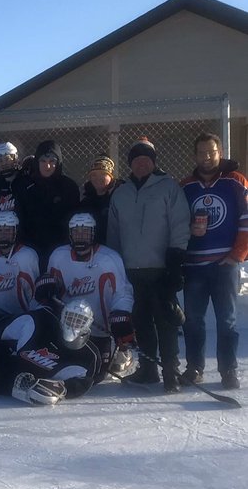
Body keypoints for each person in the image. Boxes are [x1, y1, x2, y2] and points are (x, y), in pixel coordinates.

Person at [106, 139, 191, 391]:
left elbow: (179, 226)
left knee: (165, 320)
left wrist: (174, 264)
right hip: (131, 269)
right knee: (140, 321)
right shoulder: (120, 193)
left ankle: (171, 372)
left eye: (146, 159)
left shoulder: (169, 188)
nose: (141, 164)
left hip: (160, 268)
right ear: (130, 164)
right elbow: (113, 232)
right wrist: (115, 265)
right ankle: (148, 369)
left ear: (154, 162)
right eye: (136, 160)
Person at [179, 132, 248, 389]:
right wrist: (188, 231)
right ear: (194, 155)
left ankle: (228, 370)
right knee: (193, 320)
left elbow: (246, 221)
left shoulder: (236, 182)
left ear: (220, 152)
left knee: (227, 320)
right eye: (201, 152)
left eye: (211, 152)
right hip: (194, 266)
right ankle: (194, 367)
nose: (206, 157)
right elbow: (175, 224)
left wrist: (237, 255)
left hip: (225, 264)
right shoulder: (185, 186)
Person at [44, 212, 135, 381]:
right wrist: (45, 291)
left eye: (85, 233)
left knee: (97, 375)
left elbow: (123, 292)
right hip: (70, 329)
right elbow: (50, 291)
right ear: (70, 234)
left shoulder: (109, 259)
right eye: (76, 233)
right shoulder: (58, 256)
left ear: (93, 234)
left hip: (101, 331)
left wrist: (121, 313)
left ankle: (122, 352)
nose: (80, 237)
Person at [0, 298, 102, 406]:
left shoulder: (90, 356)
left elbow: (84, 383)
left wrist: (62, 389)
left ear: (88, 324)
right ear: (62, 316)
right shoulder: (37, 322)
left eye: (79, 320)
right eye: (70, 318)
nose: (73, 324)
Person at [15, 140, 80, 268]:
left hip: (61, 249)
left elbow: (73, 220)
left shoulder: (69, 187)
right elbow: (20, 219)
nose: (47, 166)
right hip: (31, 250)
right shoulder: (25, 186)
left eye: (52, 162)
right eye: (43, 161)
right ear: (37, 162)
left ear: (59, 163)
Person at [0, 210, 40, 320]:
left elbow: (32, 295)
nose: (3, 235)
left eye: (7, 230)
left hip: (18, 317)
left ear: (16, 232)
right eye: (0, 230)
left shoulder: (27, 256)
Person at [80, 155, 123, 245]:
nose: (98, 178)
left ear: (111, 176)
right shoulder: (86, 201)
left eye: (103, 174)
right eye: (94, 175)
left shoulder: (120, 197)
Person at [0, 142, 25, 221]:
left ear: (15, 159)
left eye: (7, 159)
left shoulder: (25, 181)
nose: (4, 164)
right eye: (0, 161)